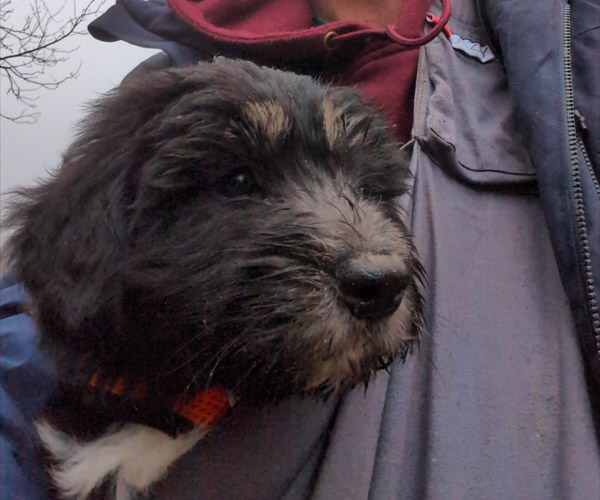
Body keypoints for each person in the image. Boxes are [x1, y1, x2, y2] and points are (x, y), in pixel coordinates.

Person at [1, 0, 598, 498]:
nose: (376, 256)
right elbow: (38, 315)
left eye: (367, 190)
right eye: (240, 183)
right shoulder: (164, 86)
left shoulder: (564, 41)